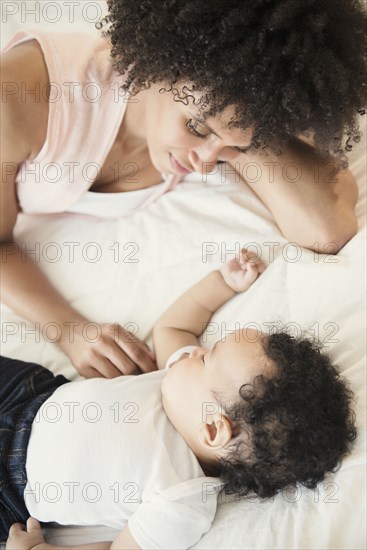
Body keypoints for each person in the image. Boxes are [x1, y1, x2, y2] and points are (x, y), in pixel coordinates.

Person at [1, 0, 366, 379]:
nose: (207, 163)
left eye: (235, 147)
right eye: (196, 126)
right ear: (158, 66)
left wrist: (238, 130)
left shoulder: (238, 113)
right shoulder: (16, 99)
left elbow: (327, 230)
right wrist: (68, 329)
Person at [2, 249, 357, 550]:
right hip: (29, 394)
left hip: (12, 486)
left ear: (213, 428)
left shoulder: (182, 499)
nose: (192, 354)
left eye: (205, 358)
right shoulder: (179, 389)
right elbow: (174, 328)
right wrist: (223, 282)